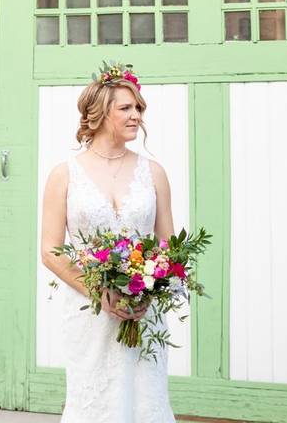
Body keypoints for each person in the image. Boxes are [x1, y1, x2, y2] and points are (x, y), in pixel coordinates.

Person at [40, 62, 177, 423]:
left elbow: (168, 248)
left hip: (143, 312)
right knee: (94, 403)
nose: (137, 116)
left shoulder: (154, 173)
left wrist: (148, 292)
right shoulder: (64, 174)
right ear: (100, 113)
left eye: (139, 109)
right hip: (90, 312)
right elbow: (51, 250)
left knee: (145, 397)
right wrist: (98, 291)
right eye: (126, 108)